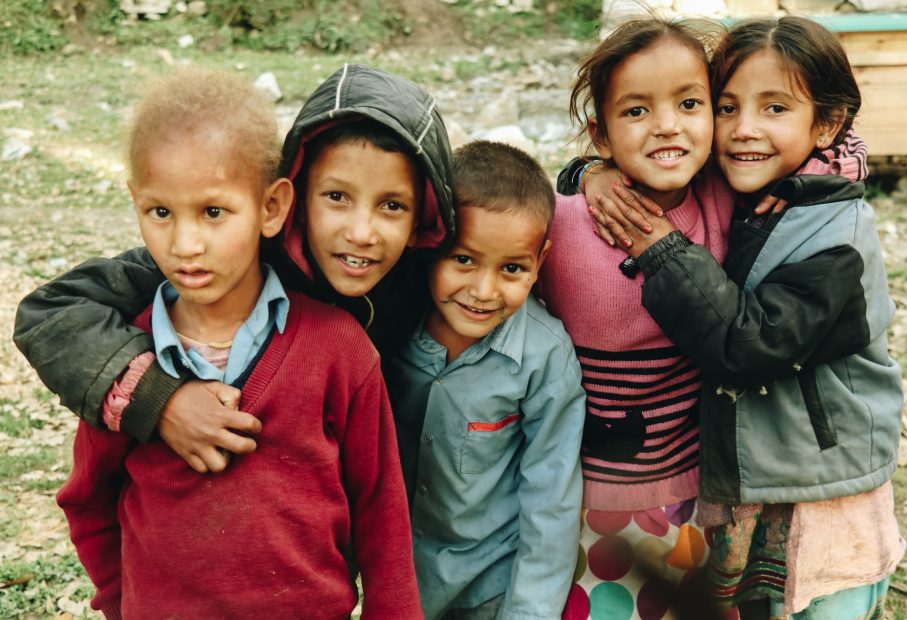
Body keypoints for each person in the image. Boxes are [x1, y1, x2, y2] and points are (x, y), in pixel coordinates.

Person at [54, 66, 421, 619]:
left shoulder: (339, 349)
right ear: (136, 203)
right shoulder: (123, 360)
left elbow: (381, 516)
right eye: (160, 212)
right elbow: (89, 501)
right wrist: (122, 601)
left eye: (213, 212)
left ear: (272, 207)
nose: (185, 243)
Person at [584, 16, 905, 620]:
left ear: (828, 125)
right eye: (726, 107)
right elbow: (635, 159)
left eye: (775, 107)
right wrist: (593, 175)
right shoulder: (736, 186)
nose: (744, 130)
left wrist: (661, 249)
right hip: (753, 479)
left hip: (826, 488)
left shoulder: (838, 240)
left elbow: (749, 341)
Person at [13, 63, 455, 474]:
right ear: (290, 201)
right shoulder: (231, 260)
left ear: (426, 220)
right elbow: (50, 314)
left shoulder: (437, 277)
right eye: (336, 197)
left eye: (392, 205)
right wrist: (160, 398)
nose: (361, 232)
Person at [534, 15, 735, 620]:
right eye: (637, 111)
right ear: (600, 133)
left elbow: (822, 149)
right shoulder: (562, 225)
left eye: (690, 102)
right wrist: (587, 176)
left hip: (702, 497)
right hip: (585, 504)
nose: (667, 125)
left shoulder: (727, 202)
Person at [386, 140, 586, 619]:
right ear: (429, 245)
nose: (482, 291)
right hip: (396, 584)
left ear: (540, 262)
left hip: (492, 589)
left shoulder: (544, 356)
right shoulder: (389, 325)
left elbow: (550, 498)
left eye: (512, 268)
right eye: (463, 260)